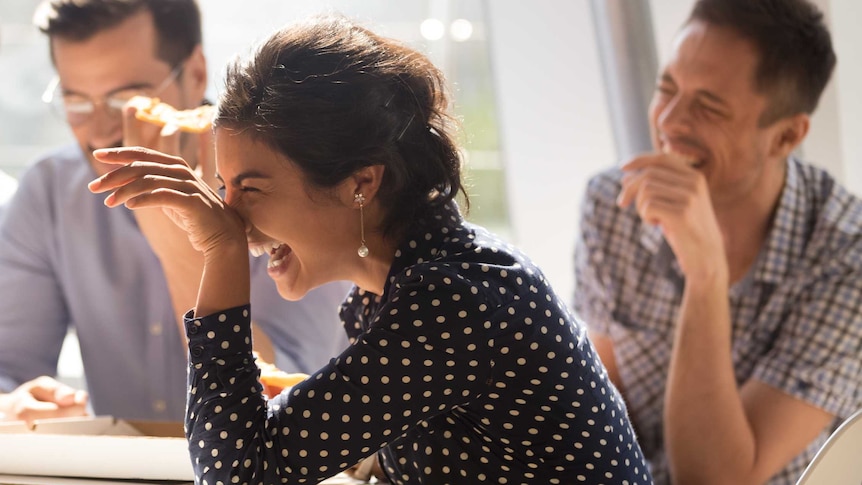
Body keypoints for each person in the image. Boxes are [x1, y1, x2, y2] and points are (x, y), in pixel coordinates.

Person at [89, 13, 654, 485]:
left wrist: (221, 252)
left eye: (252, 189)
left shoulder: (451, 303)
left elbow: (239, 474)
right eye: (223, 185)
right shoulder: (403, 286)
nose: (230, 214)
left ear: (361, 183)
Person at [0, 0, 349, 424]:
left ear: (196, 73)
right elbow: (8, 371)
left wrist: (180, 245)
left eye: (125, 100)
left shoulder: (290, 183)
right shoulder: (50, 193)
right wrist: (13, 405)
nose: (99, 132)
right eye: (76, 102)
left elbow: (286, 399)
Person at [573, 0, 862, 484]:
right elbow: (604, 412)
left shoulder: (846, 263)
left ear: (786, 137)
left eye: (708, 107)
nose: (669, 122)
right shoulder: (614, 204)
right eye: (667, 88)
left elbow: (714, 480)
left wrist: (705, 275)